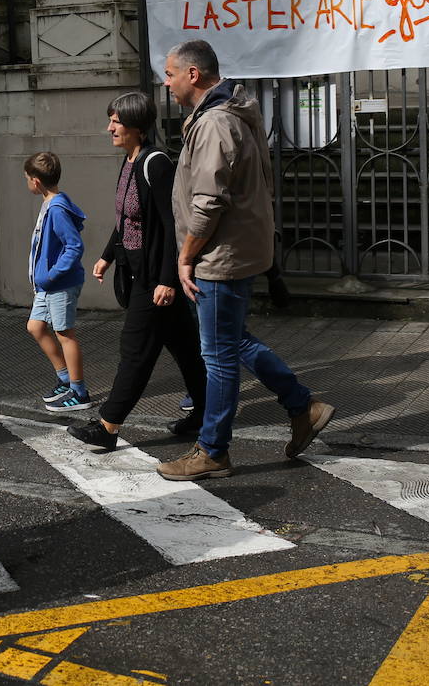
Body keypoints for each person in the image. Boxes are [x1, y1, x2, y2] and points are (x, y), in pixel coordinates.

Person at [157, 39, 334, 481]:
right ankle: (303, 407)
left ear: (193, 74)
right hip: (231, 250)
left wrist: (185, 257)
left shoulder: (216, 122)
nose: (167, 83)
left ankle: (213, 450)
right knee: (232, 341)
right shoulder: (228, 114)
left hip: (219, 255)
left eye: (170, 74)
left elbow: (209, 201)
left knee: (218, 355)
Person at [68, 91, 208, 451]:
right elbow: (126, 219)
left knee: (135, 349)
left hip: (154, 278)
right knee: (186, 347)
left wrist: (167, 280)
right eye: (111, 120)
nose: (109, 128)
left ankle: (108, 425)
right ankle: (206, 412)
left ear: (136, 126)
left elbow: (171, 225)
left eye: (116, 121)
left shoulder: (155, 164)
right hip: (136, 273)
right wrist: (107, 256)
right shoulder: (130, 161)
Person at [22, 152, 90, 413]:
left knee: (65, 335)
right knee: (35, 327)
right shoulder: (50, 203)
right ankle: (65, 380)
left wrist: (52, 275)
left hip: (59, 284)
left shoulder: (57, 208)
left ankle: (80, 392)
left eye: (27, 178)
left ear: (36, 181)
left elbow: (74, 246)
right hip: (47, 285)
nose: (27, 182)